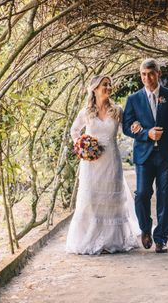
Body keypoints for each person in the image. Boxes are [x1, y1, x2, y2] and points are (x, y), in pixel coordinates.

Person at [66, 75, 140, 255]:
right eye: (104, 85)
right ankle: (91, 239)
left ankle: (111, 241)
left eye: (109, 84)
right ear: (94, 89)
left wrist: (136, 126)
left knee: (111, 199)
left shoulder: (117, 110)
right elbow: (74, 130)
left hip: (111, 160)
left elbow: (128, 128)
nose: (107, 87)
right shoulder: (86, 112)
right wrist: (82, 146)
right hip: (92, 162)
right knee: (91, 198)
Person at [122, 58, 168, 253]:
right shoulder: (133, 99)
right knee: (141, 194)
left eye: (150, 74)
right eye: (143, 74)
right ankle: (145, 229)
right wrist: (145, 133)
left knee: (165, 197)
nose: (147, 78)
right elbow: (126, 127)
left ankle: (161, 238)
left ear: (158, 74)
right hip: (144, 156)